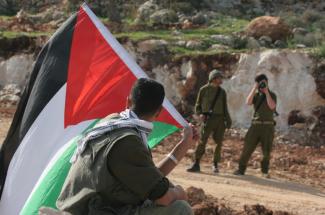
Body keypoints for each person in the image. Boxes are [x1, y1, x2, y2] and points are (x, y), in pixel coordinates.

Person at [40, 78, 198, 215]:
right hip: (93, 210)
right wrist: (179, 193)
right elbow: (164, 198)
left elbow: (149, 178)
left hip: (84, 205)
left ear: (128, 101)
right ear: (159, 112)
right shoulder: (128, 141)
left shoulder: (111, 123)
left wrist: (184, 145)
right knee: (180, 209)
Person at [187, 69, 232, 174]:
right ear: (213, 78)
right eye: (219, 78)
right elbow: (197, 105)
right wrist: (200, 114)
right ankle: (196, 163)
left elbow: (225, 108)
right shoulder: (203, 90)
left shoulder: (222, 92)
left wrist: (228, 120)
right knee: (202, 141)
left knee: (218, 143)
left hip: (220, 120)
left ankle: (215, 165)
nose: (221, 80)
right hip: (207, 119)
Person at [234, 74, 277, 178]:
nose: (262, 85)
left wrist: (266, 92)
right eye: (260, 83)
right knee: (247, 148)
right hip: (255, 125)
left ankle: (264, 171)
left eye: (263, 82)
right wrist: (254, 88)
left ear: (267, 82)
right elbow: (248, 102)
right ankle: (241, 169)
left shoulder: (272, 95)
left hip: (267, 126)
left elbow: (272, 106)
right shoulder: (256, 95)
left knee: (266, 151)